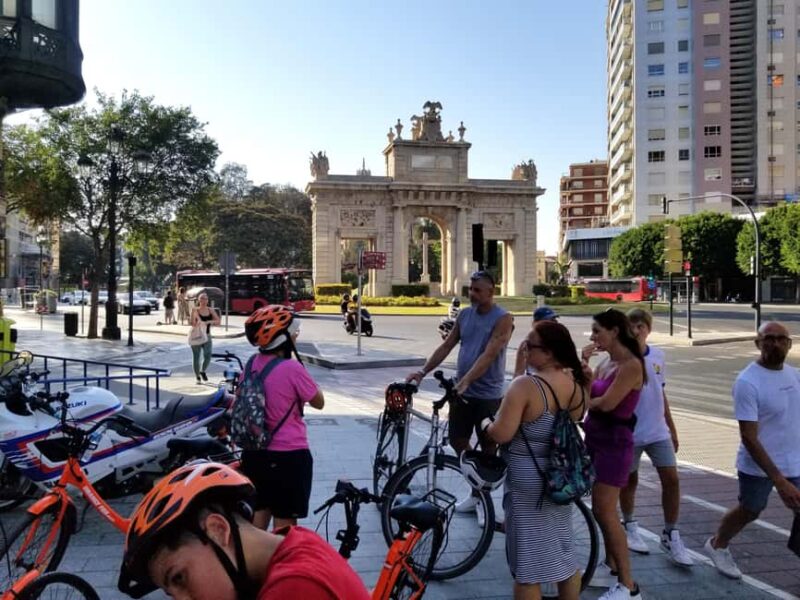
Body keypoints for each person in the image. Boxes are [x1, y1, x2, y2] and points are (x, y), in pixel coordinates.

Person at [118, 461, 370, 600]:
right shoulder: (296, 542)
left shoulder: (295, 588)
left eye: (180, 578)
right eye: (172, 595)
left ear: (217, 530)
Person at [482, 320, 589, 600]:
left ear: (550, 353)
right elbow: (576, 418)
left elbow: (503, 434)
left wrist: (485, 426)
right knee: (564, 556)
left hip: (529, 483)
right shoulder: (575, 386)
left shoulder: (526, 386)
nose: (525, 349)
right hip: (561, 478)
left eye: (531, 345)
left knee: (527, 568)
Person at [406, 270, 514, 522]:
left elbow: (489, 354)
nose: (472, 294)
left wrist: (466, 380)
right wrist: (422, 372)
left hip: (488, 393)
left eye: (477, 290)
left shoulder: (503, 318)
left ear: (491, 291)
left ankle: (483, 500)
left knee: (489, 445)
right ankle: (477, 490)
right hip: (462, 393)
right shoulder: (464, 315)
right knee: (458, 440)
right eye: (470, 290)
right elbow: (446, 345)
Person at [705, 322, 800, 579]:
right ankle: (717, 545)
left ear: (789, 344)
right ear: (758, 343)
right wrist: (779, 480)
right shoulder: (748, 381)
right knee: (751, 509)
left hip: (795, 462)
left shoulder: (794, 375)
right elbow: (749, 437)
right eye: (769, 339)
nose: (776, 343)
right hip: (758, 465)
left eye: (782, 339)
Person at [240, 305, 324, 530]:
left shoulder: (250, 364)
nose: (296, 336)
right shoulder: (291, 369)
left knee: (258, 517)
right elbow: (319, 402)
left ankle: (254, 565)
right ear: (282, 339)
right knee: (285, 526)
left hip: (255, 454)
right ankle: (280, 565)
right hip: (288, 457)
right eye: (293, 332)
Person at [620, 308, 692, 566]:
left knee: (671, 479)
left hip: (657, 430)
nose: (638, 330)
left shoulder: (658, 356)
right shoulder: (621, 359)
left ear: (649, 329)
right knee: (630, 480)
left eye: (642, 326)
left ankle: (671, 533)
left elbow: (661, 394)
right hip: (630, 432)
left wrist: (671, 427)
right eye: (633, 326)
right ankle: (629, 523)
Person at [582, 308, 645, 600]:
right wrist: (583, 364)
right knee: (601, 510)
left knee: (605, 512)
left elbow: (606, 403)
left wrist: (586, 399)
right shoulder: (606, 362)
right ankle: (610, 565)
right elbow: (587, 393)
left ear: (615, 331)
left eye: (597, 331)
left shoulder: (631, 366)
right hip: (595, 438)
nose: (593, 337)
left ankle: (628, 585)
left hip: (615, 443)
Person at [190, 292, 221, 384]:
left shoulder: (210, 310)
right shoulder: (195, 310)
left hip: (207, 335)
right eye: (202, 298)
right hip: (196, 336)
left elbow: (218, 321)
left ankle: (202, 371)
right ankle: (197, 377)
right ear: (199, 300)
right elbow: (192, 324)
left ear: (208, 300)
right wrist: (194, 317)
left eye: (206, 299)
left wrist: (208, 322)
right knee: (196, 357)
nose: (204, 300)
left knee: (208, 356)